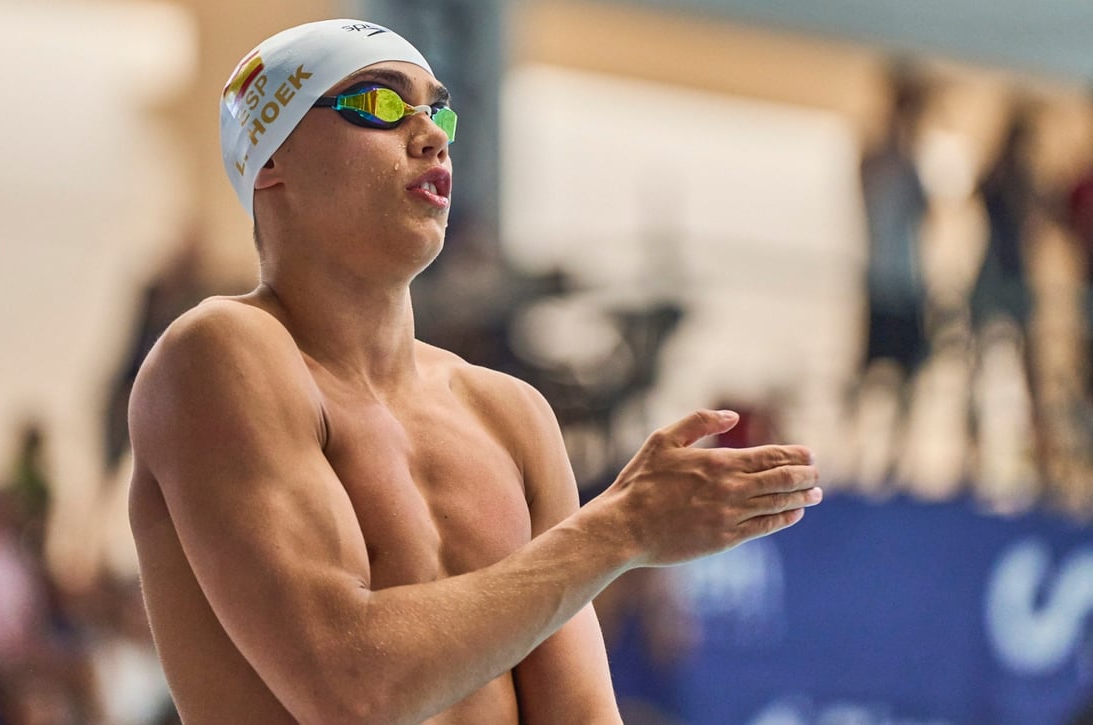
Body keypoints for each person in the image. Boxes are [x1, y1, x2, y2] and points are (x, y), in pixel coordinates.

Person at [128, 18, 822, 724]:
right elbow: (349, 687)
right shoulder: (220, 353)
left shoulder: (509, 415)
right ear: (274, 160)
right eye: (380, 105)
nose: (431, 134)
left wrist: (613, 533)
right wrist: (617, 530)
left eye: (437, 110)